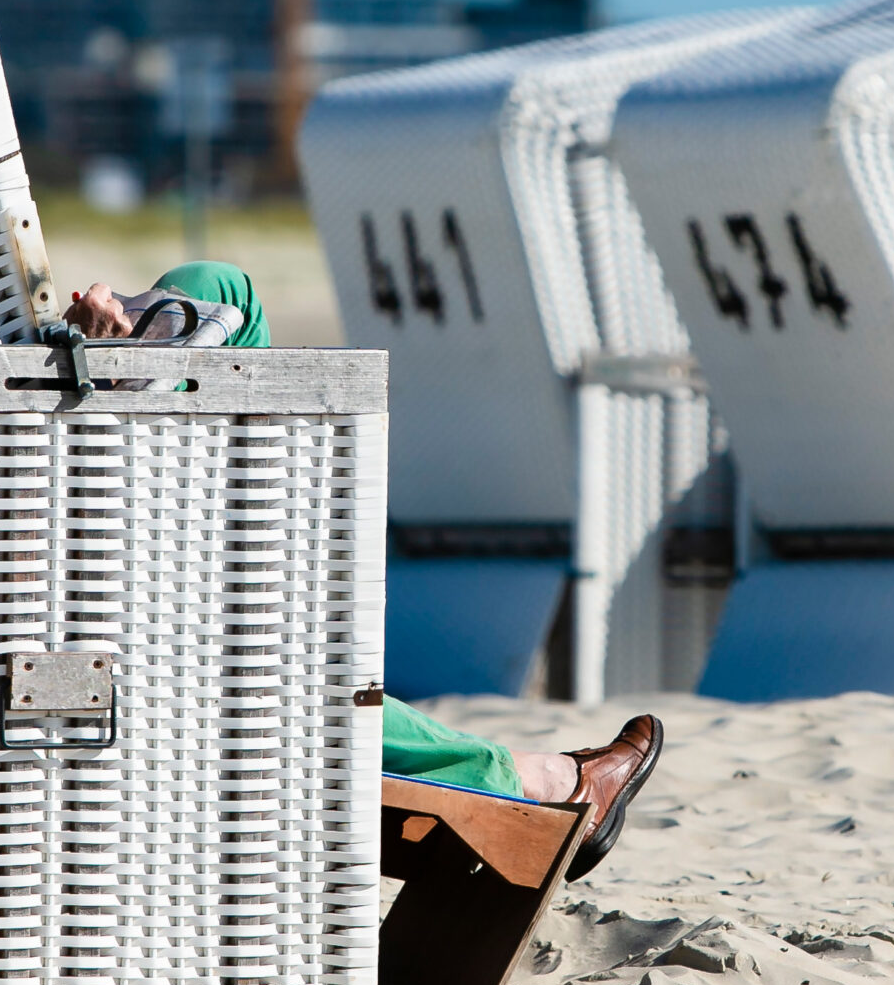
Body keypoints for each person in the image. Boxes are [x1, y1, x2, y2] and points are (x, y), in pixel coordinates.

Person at [64, 266, 666, 882]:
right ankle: (541, 782)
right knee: (283, 677)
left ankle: (147, 364)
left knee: (210, 289)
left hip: (82, 563)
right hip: (133, 612)